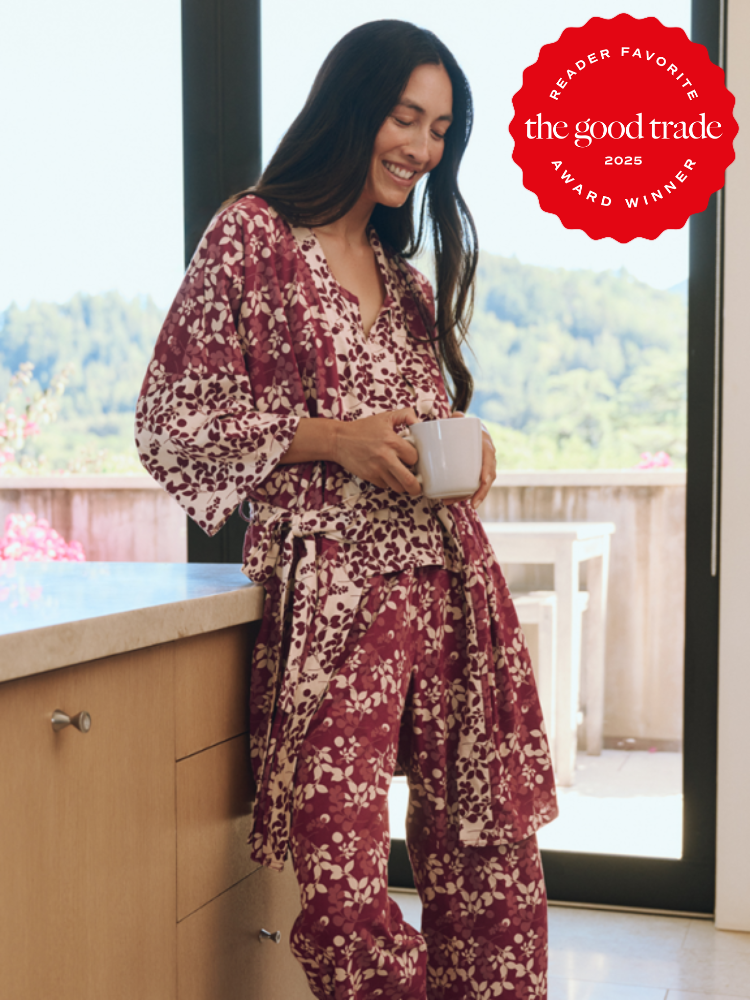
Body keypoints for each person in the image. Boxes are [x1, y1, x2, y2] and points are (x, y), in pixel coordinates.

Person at [136, 18, 558, 1000]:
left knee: (485, 853)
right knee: (337, 884)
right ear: (350, 109)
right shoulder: (252, 235)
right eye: (405, 115)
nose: (421, 145)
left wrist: (468, 443)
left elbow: (415, 426)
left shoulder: (407, 282)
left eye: (442, 128)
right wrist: (333, 437)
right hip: (334, 602)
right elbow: (170, 420)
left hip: (449, 586)